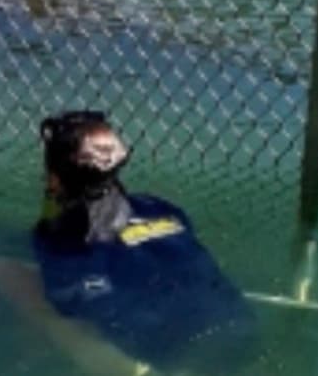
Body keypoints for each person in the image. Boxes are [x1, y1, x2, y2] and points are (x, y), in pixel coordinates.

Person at [29, 110, 258, 374]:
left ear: (55, 179)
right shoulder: (158, 207)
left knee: (22, 287)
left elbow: (69, 307)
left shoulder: (65, 239)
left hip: (175, 354)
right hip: (239, 327)